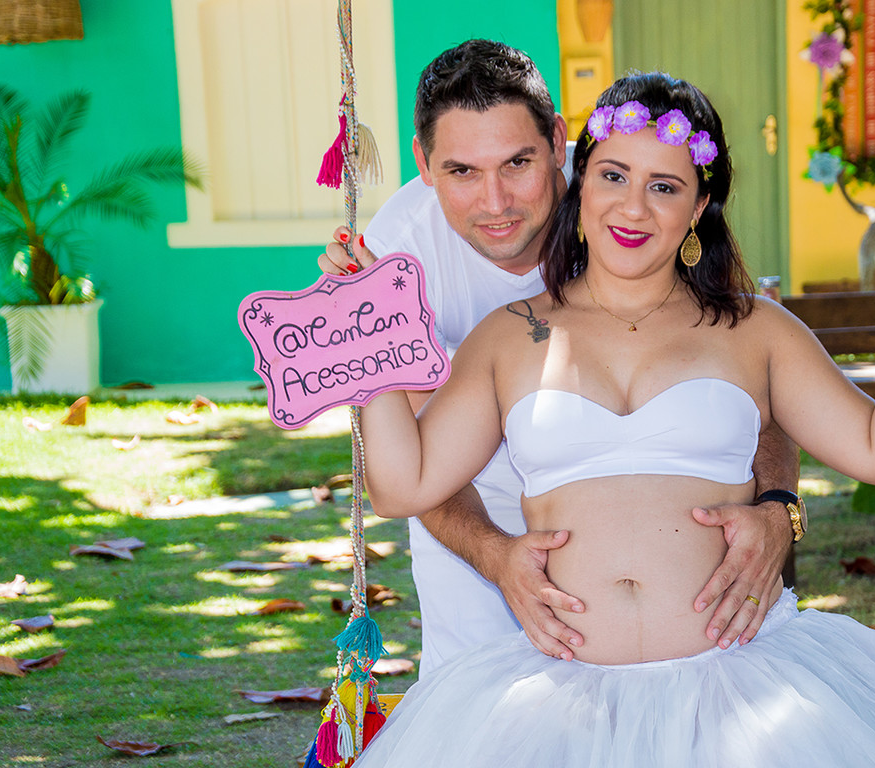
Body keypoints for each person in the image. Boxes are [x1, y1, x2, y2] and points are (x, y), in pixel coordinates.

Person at [350, 71, 875, 766]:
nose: (632, 208)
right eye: (613, 176)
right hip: (563, 706)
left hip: (741, 694)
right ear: (581, 183)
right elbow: (402, 485)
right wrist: (368, 332)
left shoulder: (755, 330)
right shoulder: (509, 336)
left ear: (698, 206)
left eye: (664, 186)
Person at [320, 40, 801, 675]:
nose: (495, 201)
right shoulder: (395, 257)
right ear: (424, 163)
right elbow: (413, 466)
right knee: (482, 703)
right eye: (462, 171)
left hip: (670, 536)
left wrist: (778, 509)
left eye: (517, 163)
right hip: (468, 515)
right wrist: (495, 556)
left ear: (557, 142)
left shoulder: (628, 188)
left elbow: (746, 379)